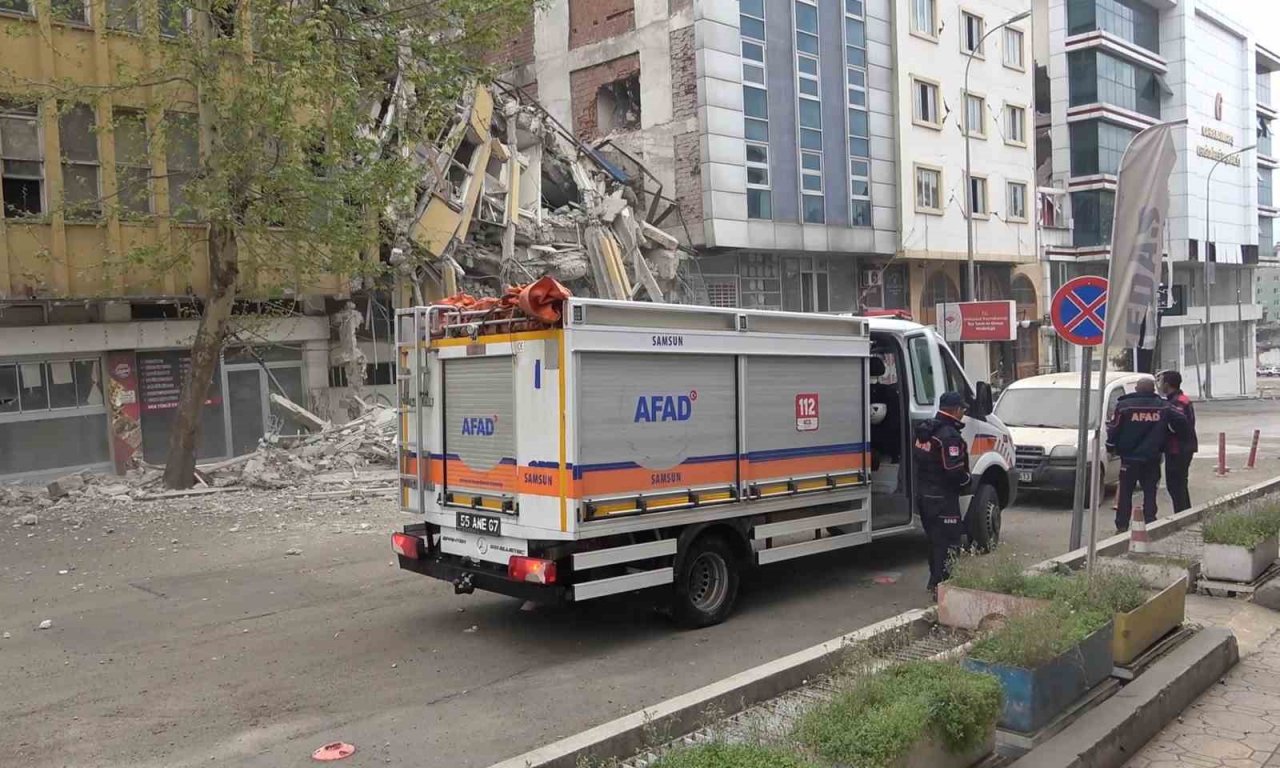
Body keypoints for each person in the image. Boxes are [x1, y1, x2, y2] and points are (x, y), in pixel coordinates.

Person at [1106, 379, 1187, 532]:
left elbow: (1114, 428)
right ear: (1153, 391)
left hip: (1129, 458)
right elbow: (1182, 420)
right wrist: (1171, 435)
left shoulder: (1125, 406)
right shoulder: (1163, 405)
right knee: (1150, 491)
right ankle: (1150, 521)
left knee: (1125, 493)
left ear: (1137, 389)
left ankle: (1122, 525)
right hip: (1152, 457)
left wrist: (1110, 447)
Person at [913, 391, 971, 595]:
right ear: (956, 410)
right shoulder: (949, 435)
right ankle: (943, 587)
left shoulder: (926, 430)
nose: (963, 413)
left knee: (935, 542)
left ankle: (934, 582)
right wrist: (967, 480)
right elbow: (953, 470)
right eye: (962, 409)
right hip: (943, 498)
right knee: (949, 543)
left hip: (925, 496)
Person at [1158, 370, 1198, 513]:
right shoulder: (1175, 400)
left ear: (1167, 384)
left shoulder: (1178, 402)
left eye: (1161, 381)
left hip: (1179, 448)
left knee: (1176, 484)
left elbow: (1179, 425)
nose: (1159, 385)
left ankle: (1182, 514)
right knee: (1179, 484)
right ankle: (1184, 512)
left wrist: (1165, 428)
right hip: (1179, 447)